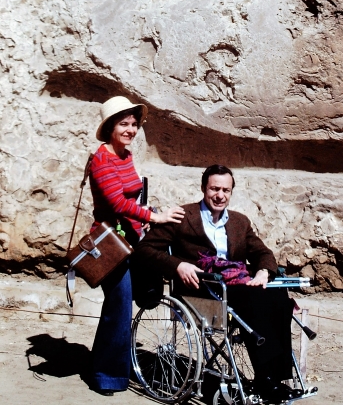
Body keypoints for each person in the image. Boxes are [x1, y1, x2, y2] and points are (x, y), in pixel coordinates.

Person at [136, 164, 296, 403]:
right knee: (257, 300)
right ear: (204, 188)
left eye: (225, 190)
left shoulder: (240, 222)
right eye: (214, 189)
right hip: (198, 290)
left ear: (231, 192)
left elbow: (263, 253)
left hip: (234, 288)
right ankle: (266, 381)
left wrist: (263, 272)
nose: (220, 195)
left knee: (279, 297)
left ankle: (275, 378)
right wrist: (178, 266)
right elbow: (144, 250)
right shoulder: (183, 216)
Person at [89, 96, 185, 396]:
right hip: (111, 244)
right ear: (110, 127)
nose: (130, 129)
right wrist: (155, 216)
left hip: (131, 239)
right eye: (123, 124)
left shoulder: (125, 155)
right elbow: (117, 203)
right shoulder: (101, 160)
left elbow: (132, 198)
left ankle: (115, 363)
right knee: (118, 307)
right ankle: (106, 375)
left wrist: (146, 215)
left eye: (133, 124)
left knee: (128, 303)